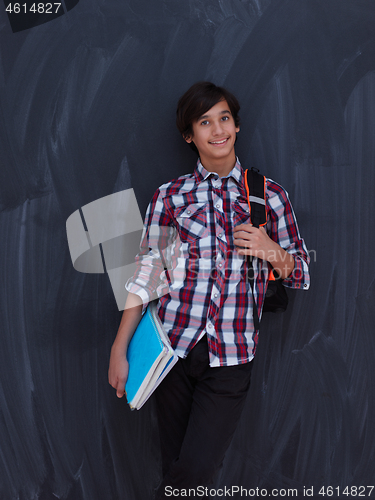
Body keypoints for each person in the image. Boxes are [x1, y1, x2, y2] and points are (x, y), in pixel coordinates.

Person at [108, 81, 310, 497]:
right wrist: (119, 348)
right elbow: (148, 275)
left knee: (194, 472)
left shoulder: (269, 196)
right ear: (190, 135)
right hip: (173, 350)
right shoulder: (171, 196)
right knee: (177, 468)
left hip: (232, 355)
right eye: (205, 122)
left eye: (224, 118)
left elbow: (300, 272)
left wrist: (271, 250)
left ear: (236, 127)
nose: (217, 129)